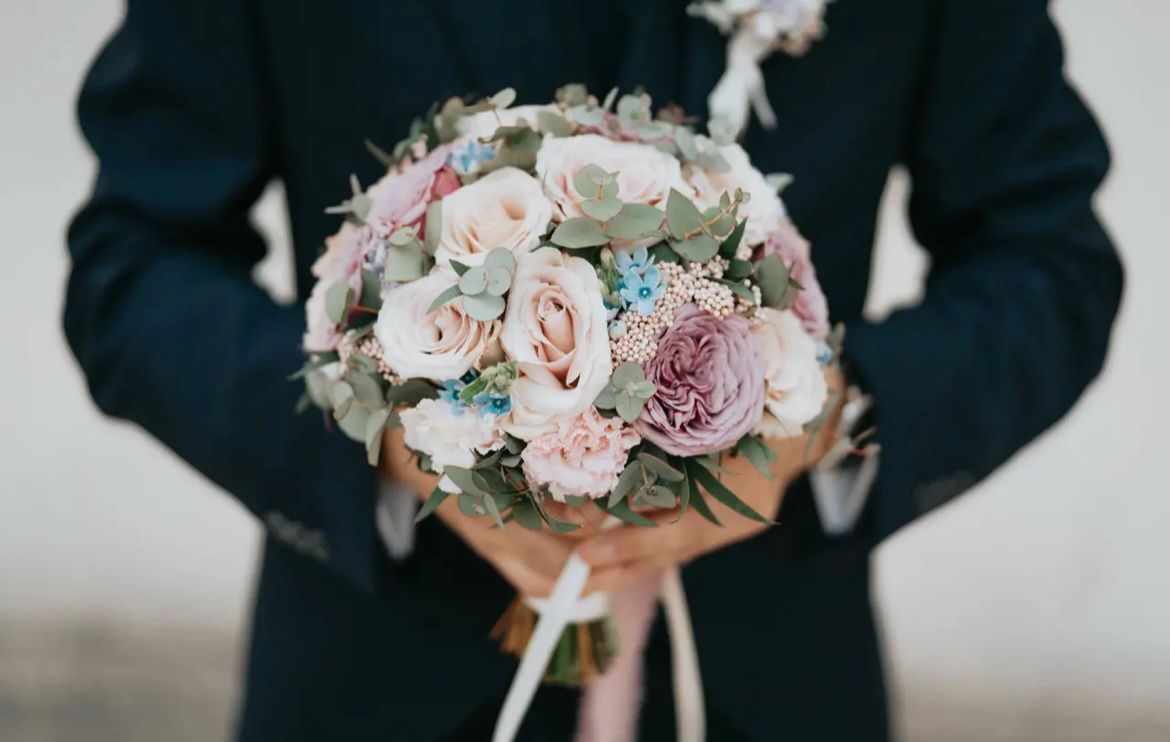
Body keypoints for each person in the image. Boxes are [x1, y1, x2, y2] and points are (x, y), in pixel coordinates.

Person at [64, 1, 1122, 740]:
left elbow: (1047, 260)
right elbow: (136, 262)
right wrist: (389, 450)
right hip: (372, 683)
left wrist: (819, 425)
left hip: (775, 681)